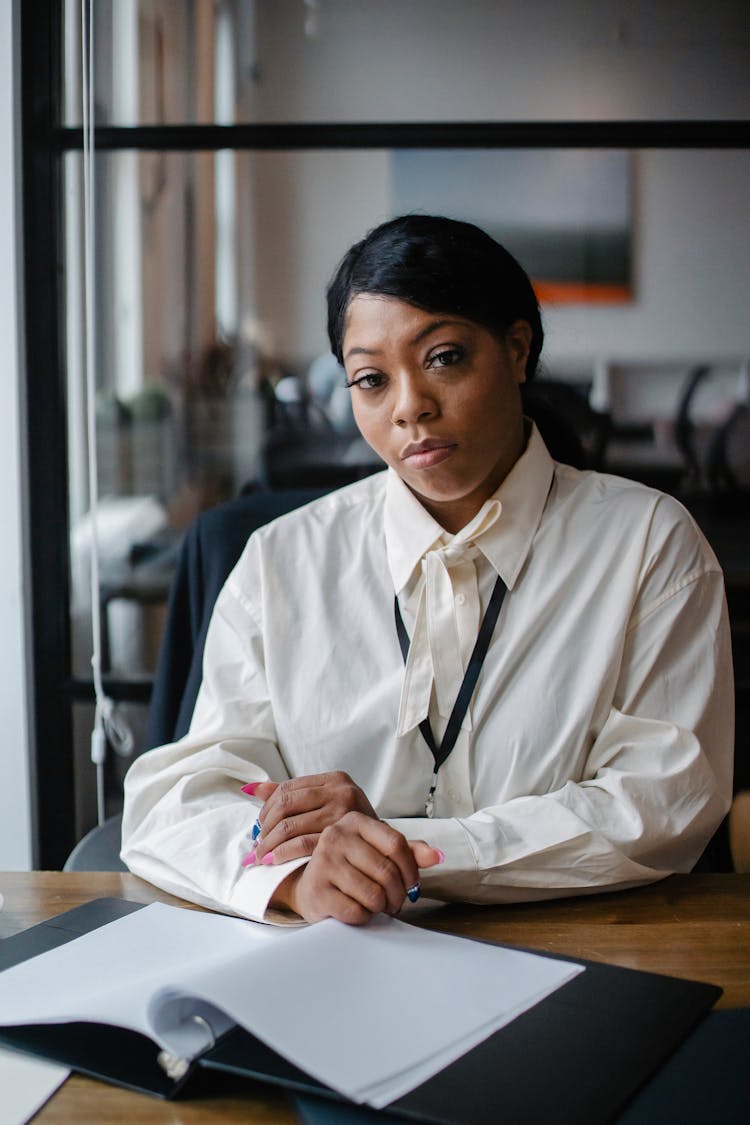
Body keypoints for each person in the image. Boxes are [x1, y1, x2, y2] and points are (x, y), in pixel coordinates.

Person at [121, 214, 733, 925]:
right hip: (336, 960)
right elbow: (178, 799)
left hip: (583, 949)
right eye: (372, 379)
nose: (410, 406)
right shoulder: (281, 560)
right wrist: (294, 881)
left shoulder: (649, 543)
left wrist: (405, 850)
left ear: (516, 350)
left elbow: (660, 799)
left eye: (442, 357)